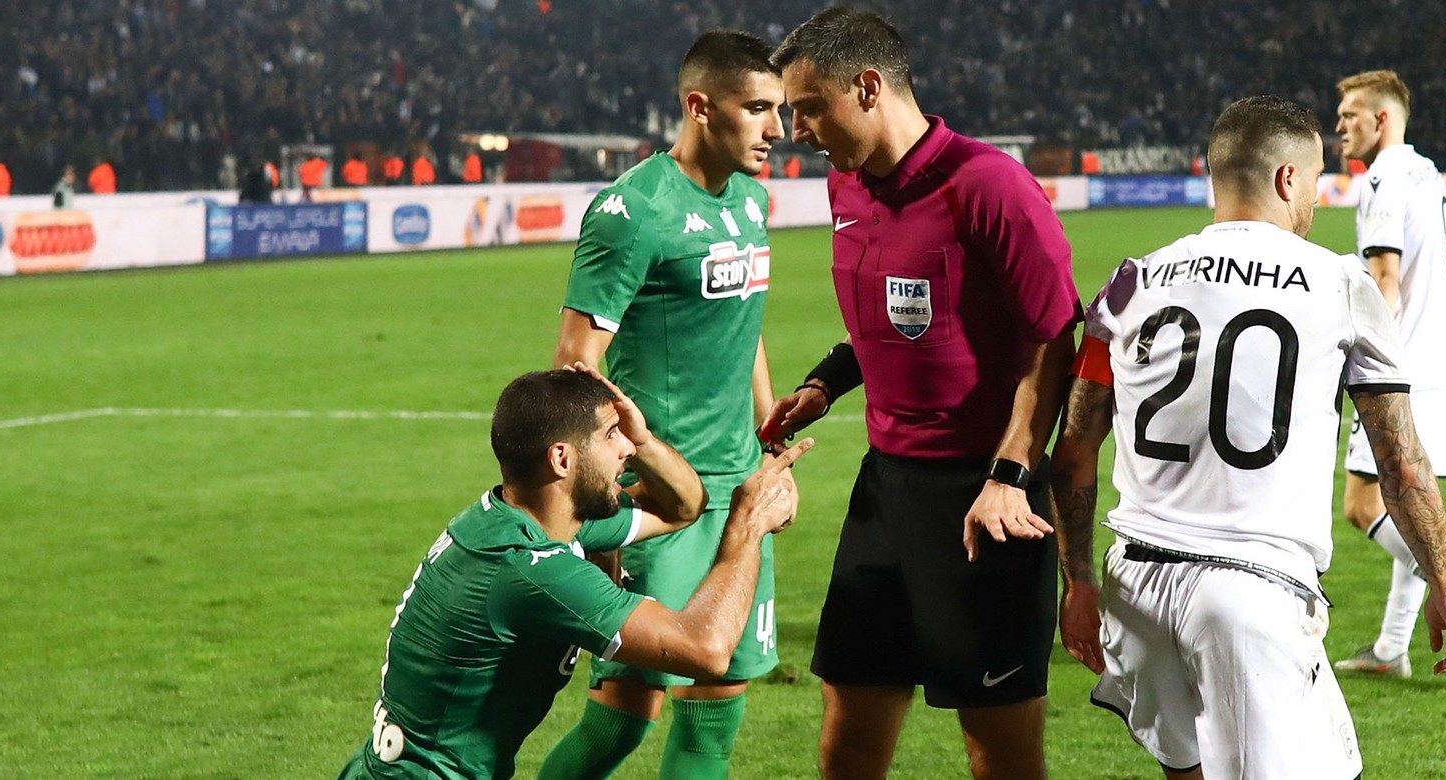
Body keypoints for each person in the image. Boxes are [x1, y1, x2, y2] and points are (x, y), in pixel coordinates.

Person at [1051, 95, 1446, 780]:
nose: (1316, 199)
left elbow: (1071, 454)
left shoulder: (1129, 284)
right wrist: (1445, 581)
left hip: (1136, 584)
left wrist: (1077, 581)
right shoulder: (1342, 282)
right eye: (1314, 181)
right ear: (1286, 178)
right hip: (1249, 594)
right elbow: (1400, 462)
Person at [762, 8, 1080, 778]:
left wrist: (1010, 475)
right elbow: (898, 314)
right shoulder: (846, 186)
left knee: (999, 753)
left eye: (810, 108)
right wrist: (826, 382)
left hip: (986, 504)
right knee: (848, 740)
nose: (797, 131)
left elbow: (1053, 340)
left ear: (869, 88)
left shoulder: (990, 186)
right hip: (885, 494)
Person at [336, 366, 813, 780]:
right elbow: (706, 649)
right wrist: (747, 527)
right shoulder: (531, 570)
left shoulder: (530, 518)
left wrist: (645, 442)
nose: (626, 448)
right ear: (561, 458)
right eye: (611, 434)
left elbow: (682, 507)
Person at [542, 30, 785, 780]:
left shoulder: (752, 199)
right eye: (758, 109)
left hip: (737, 489)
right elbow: (575, 367)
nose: (778, 129)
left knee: (707, 710)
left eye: (779, 109)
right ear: (700, 107)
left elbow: (745, 322)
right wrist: (601, 511)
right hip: (661, 500)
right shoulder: (633, 210)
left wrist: (769, 441)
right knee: (626, 719)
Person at [1332, 69, 1446, 683]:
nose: (1340, 127)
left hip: (1403, 365)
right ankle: (1390, 650)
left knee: (1363, 505)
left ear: (1382, 118)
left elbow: (1386, 278)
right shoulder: (1427, 172)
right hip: (1444, 360)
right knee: (1408, 504)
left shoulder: (1383, 179)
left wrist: (1361, 355)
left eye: (1350, 115)